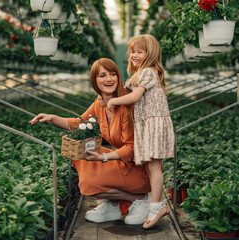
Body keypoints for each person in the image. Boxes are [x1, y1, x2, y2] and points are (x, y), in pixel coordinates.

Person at [29, 58, 152, 225]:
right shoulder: (99, 104)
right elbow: (80, 123)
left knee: (90, 180)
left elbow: (131, 148)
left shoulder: (125, 105)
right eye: (102, 75)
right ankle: (112, 205)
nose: (109, 79)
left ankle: (139, 199)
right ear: (95, 80)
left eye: (113, 74)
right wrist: (53, 118)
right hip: (123, 164)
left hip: (138, 169)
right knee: (81, 157)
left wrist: (104, 158)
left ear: (118, 77)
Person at [107, 34, 174, 229]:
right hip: (147, 123)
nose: (134, 55)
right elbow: (127, 90)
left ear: (150, 53)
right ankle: (158, 205)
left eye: (139, 52)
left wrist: (113, 101)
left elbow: (134, 96)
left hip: (153, 122)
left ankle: (156, 207)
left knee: (154, 166)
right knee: (152, 166)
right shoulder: (140, 75)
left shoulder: (148, 72)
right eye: (132, 51)